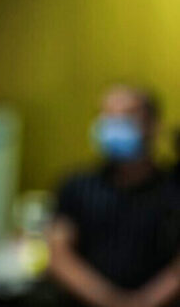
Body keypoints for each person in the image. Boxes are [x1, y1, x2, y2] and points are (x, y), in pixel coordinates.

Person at [48, 85, 180, 307]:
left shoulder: (174, 188)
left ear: (153, 124)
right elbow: (59, 256)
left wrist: (143, 303)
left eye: (127, 115)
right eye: (107, 116)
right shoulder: (77, 186)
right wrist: (112, 302)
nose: (114, 124)